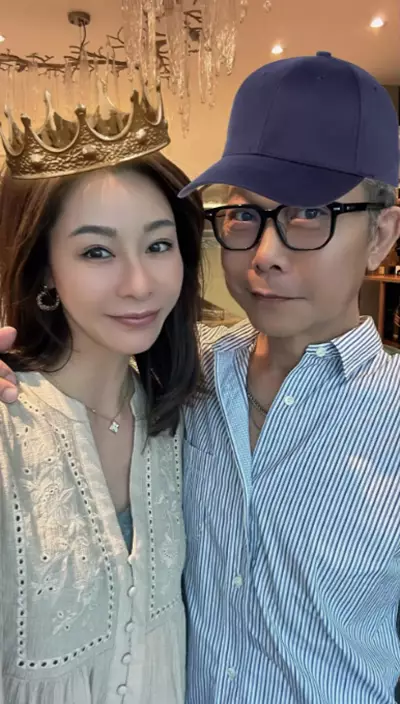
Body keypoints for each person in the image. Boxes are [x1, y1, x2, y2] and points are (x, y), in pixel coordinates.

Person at [1, 51, 400, 703]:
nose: (265, 256)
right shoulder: (191, 377)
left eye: (309, 213)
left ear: (381, 234)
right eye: (245, 215)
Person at [0, 151, 204, 704]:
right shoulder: (10, 426)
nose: (139, 284)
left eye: (158, 245)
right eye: (97, 252)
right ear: (46, 268)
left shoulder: (180, 415)